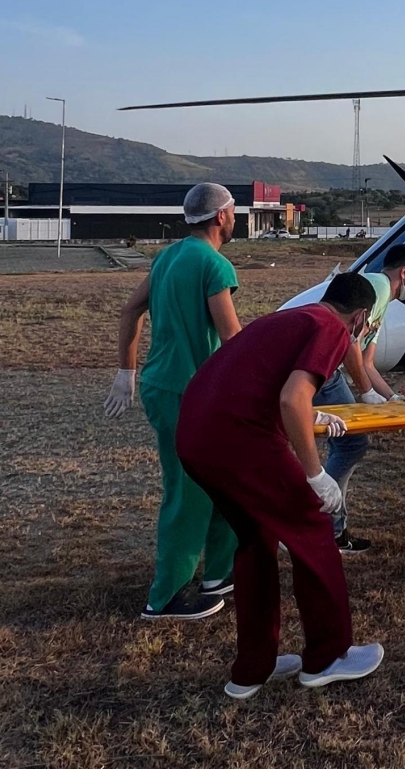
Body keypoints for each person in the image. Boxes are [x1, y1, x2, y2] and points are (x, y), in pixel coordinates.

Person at [176, 272, 385, 700]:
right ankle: (328, 656)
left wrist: (311, 418)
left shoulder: (291, 318)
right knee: (311, 525)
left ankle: (252, 669)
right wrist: (315, 474)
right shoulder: (331, 327)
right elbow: (292, 398)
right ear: (360, 317)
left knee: (256, 540)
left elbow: (268, 390)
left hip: (194, 437)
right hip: (238, 438)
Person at [103, 183, 243, 620]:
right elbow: (232, 340)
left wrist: (126, 371)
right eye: (234, 211)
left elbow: (130, 310)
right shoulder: (214, 265)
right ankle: (165, 597)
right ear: (221, 216)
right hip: (193, 392)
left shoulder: (168, 256)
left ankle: (220, 572)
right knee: (189, 490)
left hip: (164, 385)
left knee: (226, 480)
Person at [295, 244, 405, 554]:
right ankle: (319, 516)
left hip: (331, 369)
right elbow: (348, 342)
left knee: (350, 443)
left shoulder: (383, 303)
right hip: (327, 369)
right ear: (404, 272)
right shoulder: (377, 287)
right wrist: (365, 392)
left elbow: (367, 363)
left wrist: (391, 398)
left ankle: (330, 526)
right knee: (352, 444)